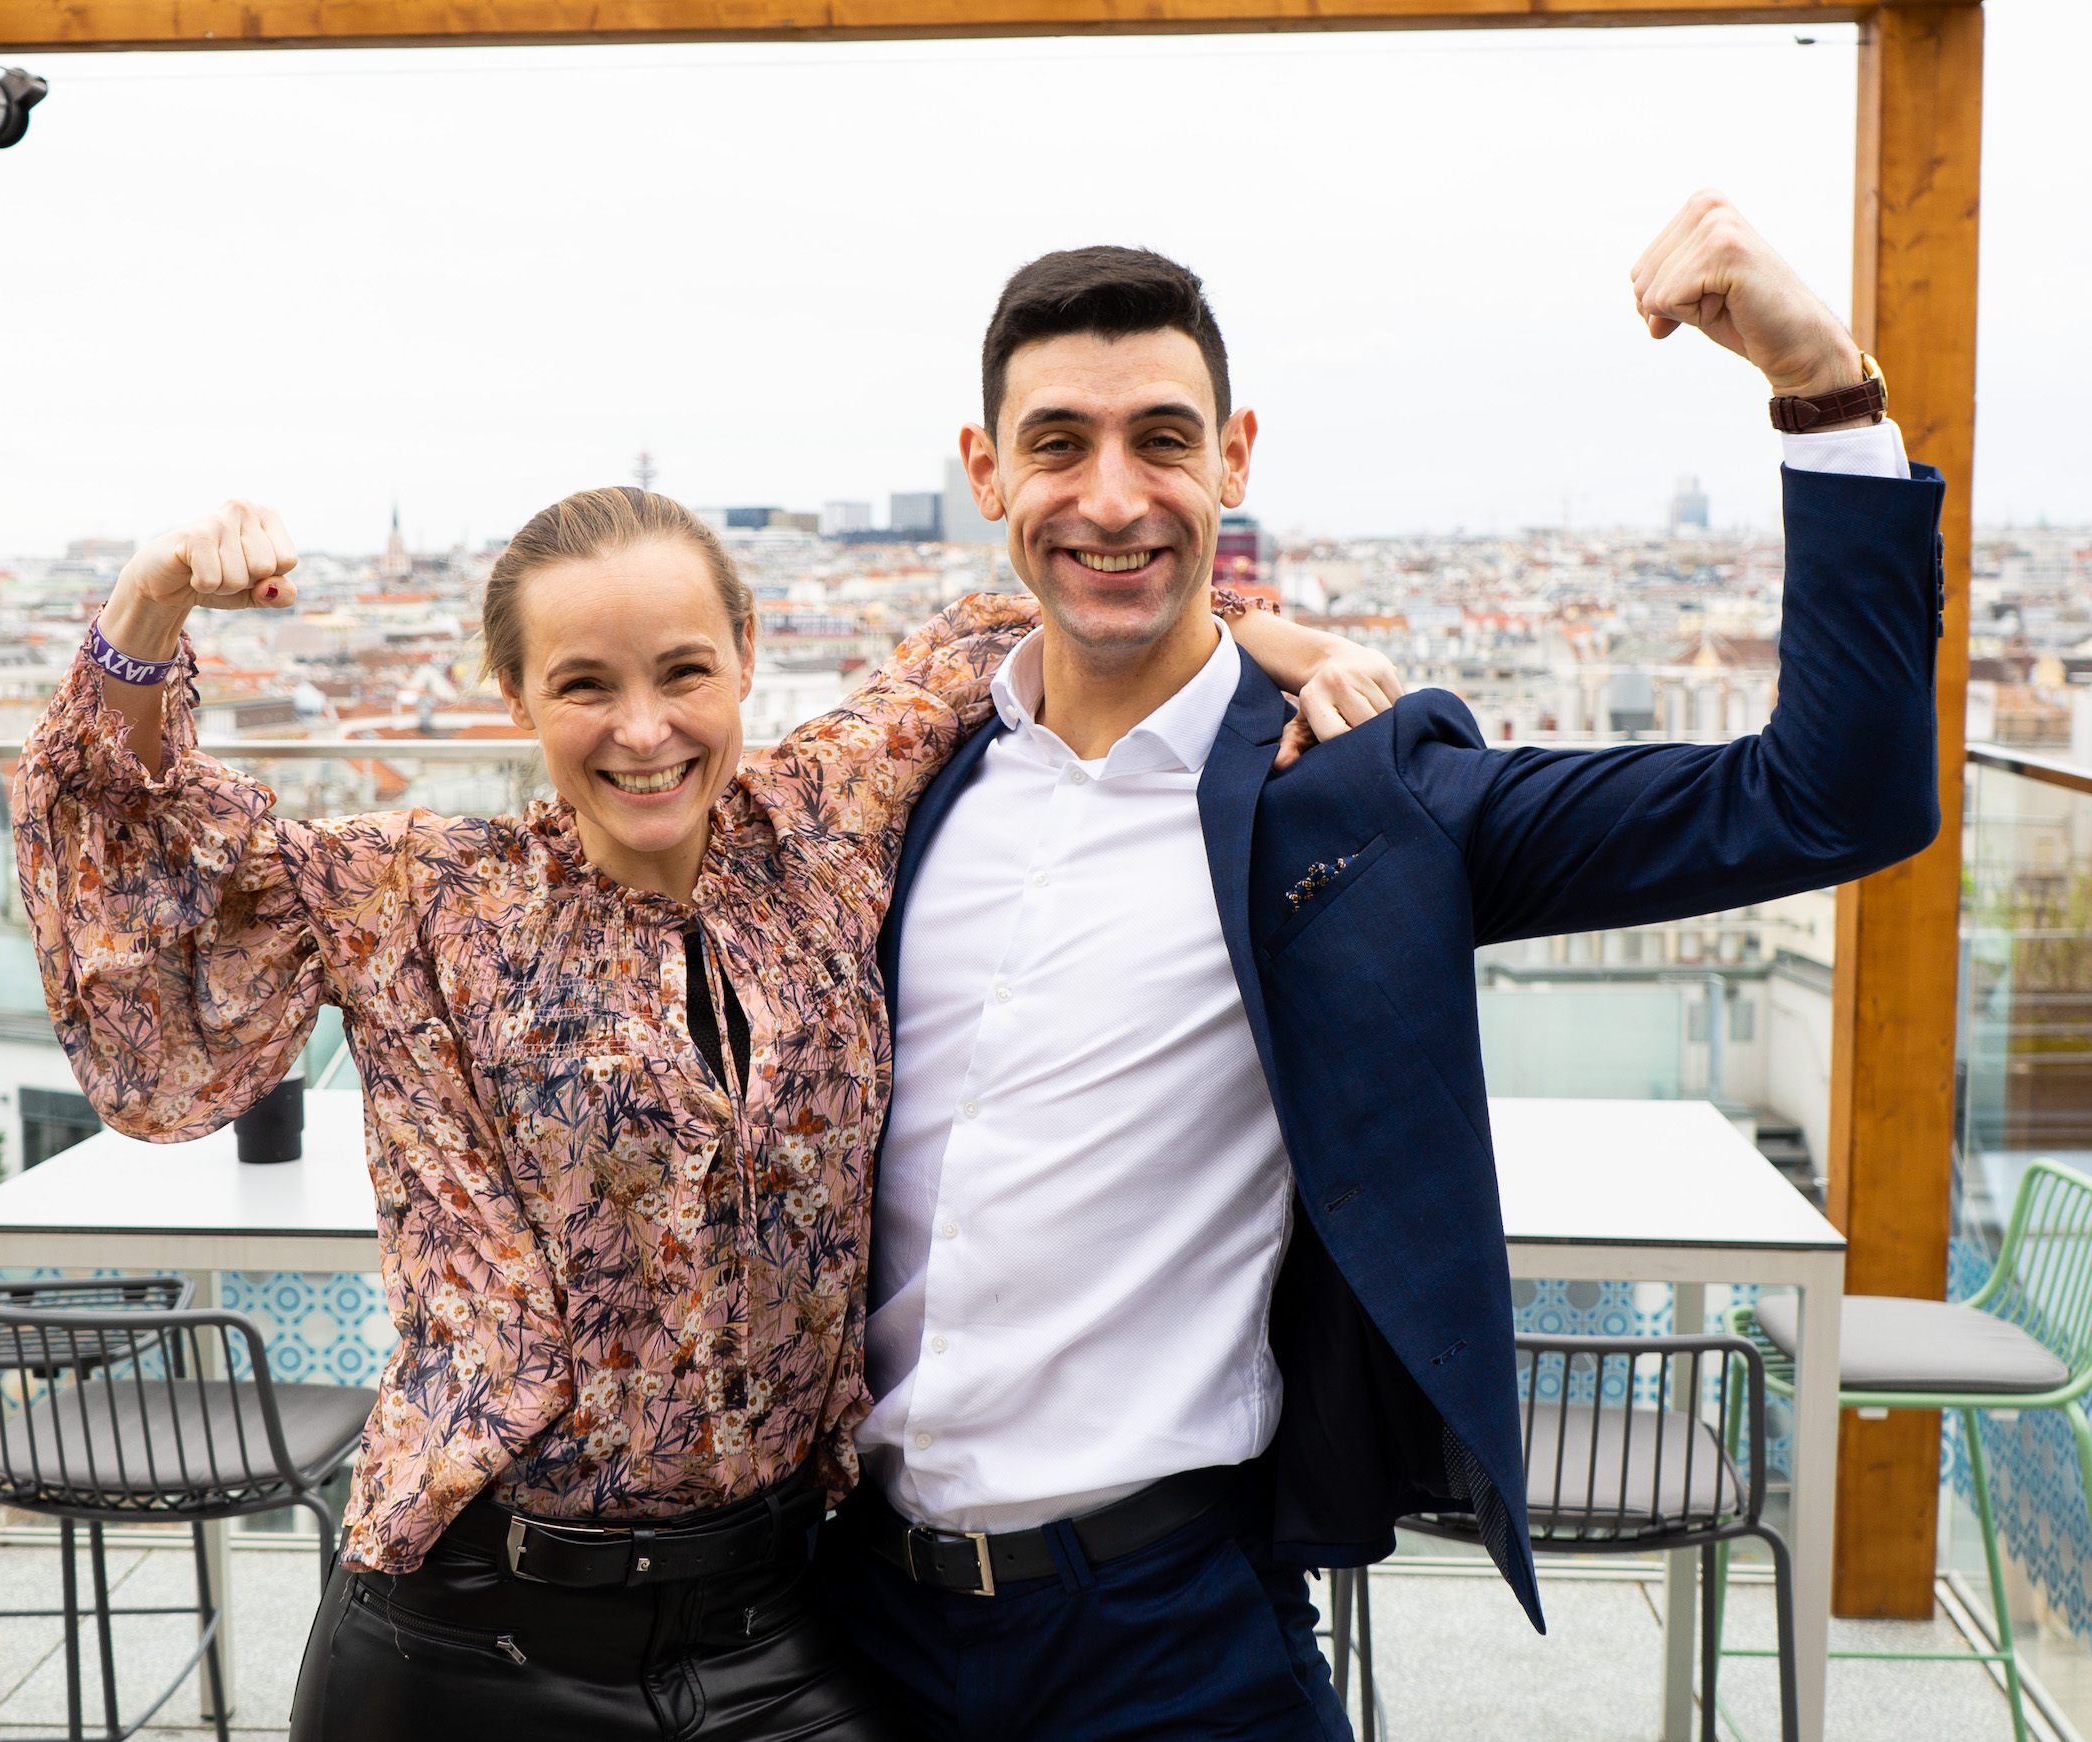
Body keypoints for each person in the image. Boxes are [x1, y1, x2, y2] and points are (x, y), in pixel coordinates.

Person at [815, 193, 1947, 1741]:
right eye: (1058, 442)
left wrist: (1818, 385)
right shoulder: (899, 783)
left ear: (1235, 456)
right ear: (983, 469)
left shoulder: (1354, 795)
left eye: (1161, 437)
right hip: (847, 1617)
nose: (1110, 493)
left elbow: (1828, 793)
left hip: (1165, 1628)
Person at [12, 484, 1396, 1739]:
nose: (642, 727)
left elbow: (1036, 629)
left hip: (771, 1619)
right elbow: (131, 894)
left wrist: (1268, 641)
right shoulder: (417, 894)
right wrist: (150, 601)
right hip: (467, 1631)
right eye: (583, 685)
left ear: (745, 653)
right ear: (512, 694)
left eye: (683, 671)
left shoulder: (823, 821)